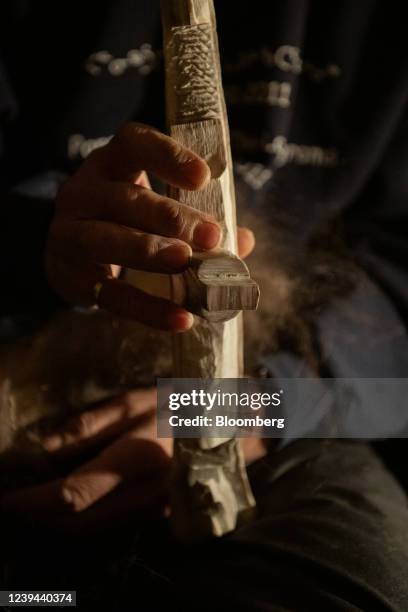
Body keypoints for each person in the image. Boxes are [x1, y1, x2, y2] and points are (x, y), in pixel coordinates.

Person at [1, 1, 408, 609]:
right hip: (26, 357)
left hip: (281, 396)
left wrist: (258, 404)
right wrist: (44, 241)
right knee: (35, 597)